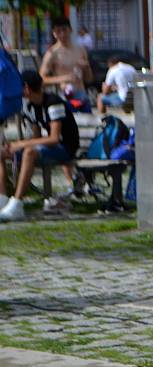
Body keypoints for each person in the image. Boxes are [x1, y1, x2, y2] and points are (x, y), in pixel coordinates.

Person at [0, 70, 79, 221]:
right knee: (2, 152)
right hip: (48, 148)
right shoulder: (30, 107)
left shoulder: (53, 103)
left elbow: (54, 138)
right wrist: (15, 147)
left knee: (29, 152)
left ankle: (17, 204)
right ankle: (2, 199)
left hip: (66, 148)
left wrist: (22, 144)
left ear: (27, 88)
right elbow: (36, 138)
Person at [39, 16, 93, 114]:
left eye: (64, 30)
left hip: (82, 96)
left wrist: (87, 67)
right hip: (65, 97)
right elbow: (41, 79)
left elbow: (89, 79)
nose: (62, 34)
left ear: (70, 30)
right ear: (54, 33)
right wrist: (64, 78)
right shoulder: (52, 53)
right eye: (58, 31)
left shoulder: (80, 50)